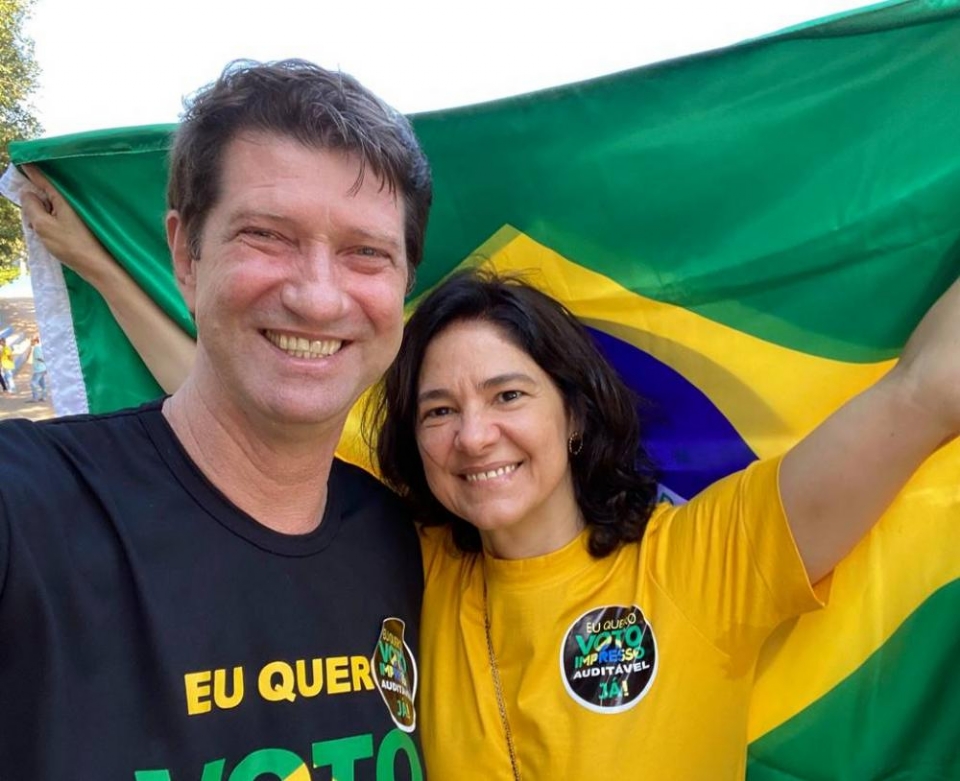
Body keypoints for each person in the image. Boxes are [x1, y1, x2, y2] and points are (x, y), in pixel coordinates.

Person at [22, 130, 960, 777]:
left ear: (574, 415)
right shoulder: (401, 557)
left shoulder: (710, 558)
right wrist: (104, 265)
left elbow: (924, 391)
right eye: (439, 409)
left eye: (509, 395)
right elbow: (243, 388)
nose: (474, 435)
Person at [5, 59, 432, 780]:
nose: (319, 298)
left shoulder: (410, 544)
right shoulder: (34, 510)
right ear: (186, 255)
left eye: (366, 253)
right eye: (267, 236)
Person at [27, 335, 46, 402]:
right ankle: (43, 397)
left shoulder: (36, 348)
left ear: (35, 341)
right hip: (42, 368)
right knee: (42, 384)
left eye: (31, 341)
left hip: (38, 369)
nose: (30, 342)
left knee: (33, 383)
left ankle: (35, 398)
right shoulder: (39, 347)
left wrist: (45, 362)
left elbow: (39, 358)